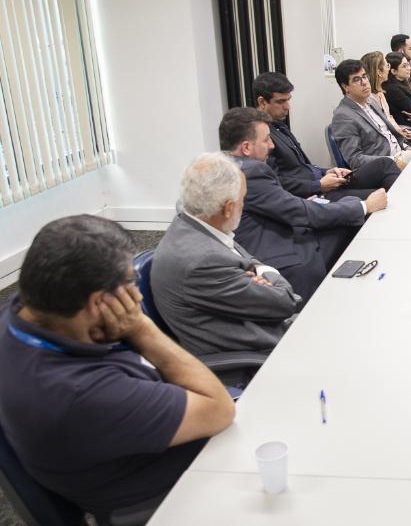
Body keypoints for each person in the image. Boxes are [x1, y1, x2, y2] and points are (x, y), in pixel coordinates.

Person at [0, 215, 235, 521]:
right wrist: (141, 328)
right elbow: (220, 410)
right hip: (167, 497)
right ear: (99, 303)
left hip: (152, 438)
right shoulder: (80, 394)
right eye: (130, 283)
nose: (137, 295)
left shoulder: (24, 310)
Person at [222, 107, 386, 299]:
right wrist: (365, 206)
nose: (272, 145)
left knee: (349, 204)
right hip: (286, 257)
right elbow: (300, 213)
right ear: (246, 147)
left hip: (273, 238)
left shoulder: (230, 166)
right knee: (355, 209)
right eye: (266, 140)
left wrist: (300, 202)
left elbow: (278, 204)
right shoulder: (251, 171)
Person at [152, 152, 302, 357]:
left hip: (260, 326)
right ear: (228, 208)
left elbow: (246, 260)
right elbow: (285, 301)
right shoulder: (204, 260)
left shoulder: (194, 223)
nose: (244, 205)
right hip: (260, 354)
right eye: (243, 199)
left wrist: (255, 270)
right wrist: (265, 270)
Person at [253, 72, 399, 200]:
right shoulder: (261, 137)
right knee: (381, 195)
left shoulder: (279, 126)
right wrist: (319, 185)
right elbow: (275, 182)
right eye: (280, 102)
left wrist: (326, 171)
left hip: (321, 180)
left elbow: (303, 167)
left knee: (385, 164)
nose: (287, 107)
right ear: (262, 102)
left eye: (288, 100)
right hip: (312, 194)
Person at [331, 58, 411, 172]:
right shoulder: (343, 116)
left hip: (400, 154)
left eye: (364, 76)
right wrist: (393, 161)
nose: (364, 82)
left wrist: (406, 148)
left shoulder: (371, 101)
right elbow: (355, 160)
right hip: (384, 168)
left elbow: (388, 134)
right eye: (356, 79)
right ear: (345, 87)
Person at [361, 51, 411, 148]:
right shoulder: (374, 96)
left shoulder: (380, 92)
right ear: (379, 72)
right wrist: (398, 132)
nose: (388, 68)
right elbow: (381, 126)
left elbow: (389, 117)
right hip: (390, 138)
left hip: (397, 132)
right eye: (387, 65)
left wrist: (399, 130)